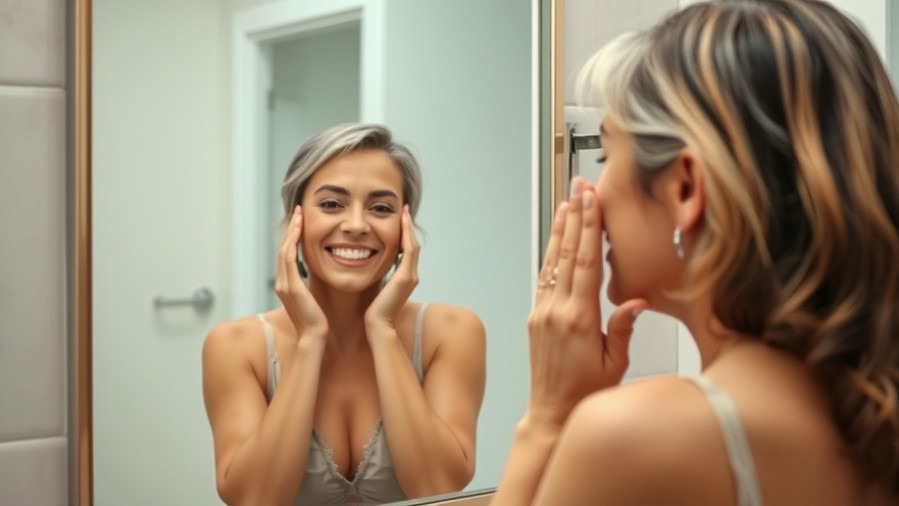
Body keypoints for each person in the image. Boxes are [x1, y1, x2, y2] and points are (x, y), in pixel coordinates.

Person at [492, 1, 899, 505]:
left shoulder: (636, 437)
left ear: (686, 188)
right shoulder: (870, 418)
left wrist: (548, 416)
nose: (589, 189)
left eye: (607, 154)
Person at [202, 123, 486, 506]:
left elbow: (438, 489)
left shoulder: (451, 333)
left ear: (405, 229)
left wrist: (382, 330)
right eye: (332, 204)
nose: (355, 225)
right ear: (295, 220)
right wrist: (310, 340)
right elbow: (255, 500)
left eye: (381, 208)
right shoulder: (237, 346)